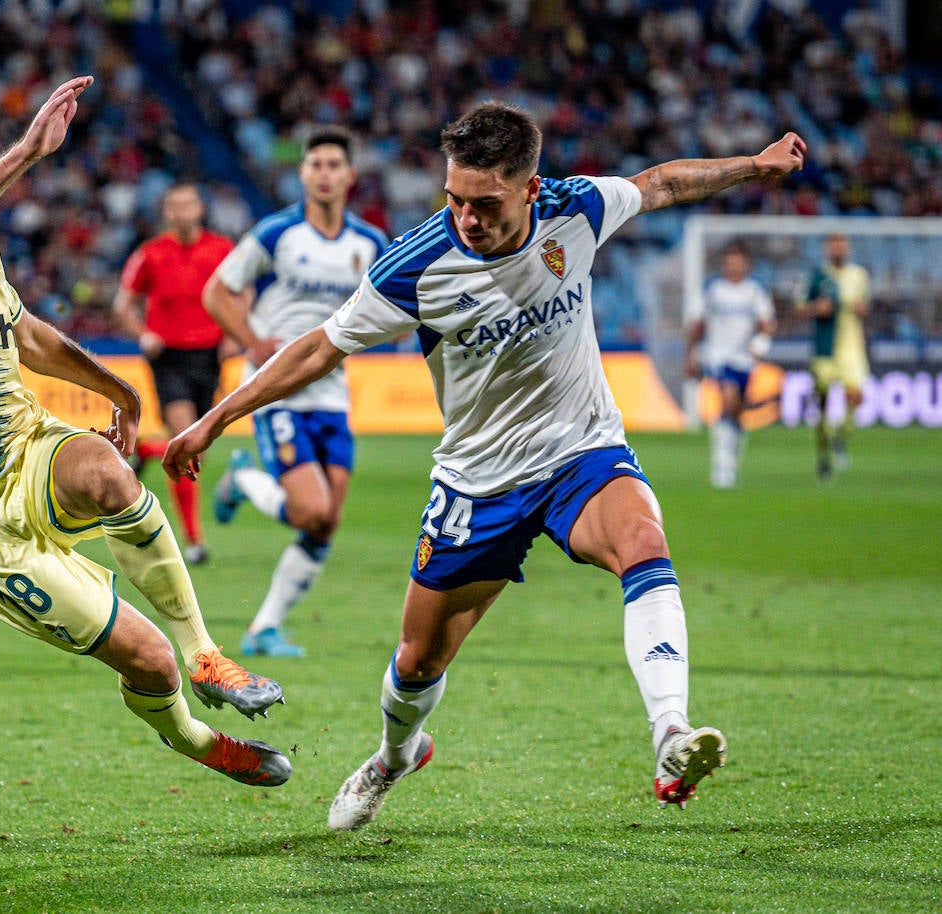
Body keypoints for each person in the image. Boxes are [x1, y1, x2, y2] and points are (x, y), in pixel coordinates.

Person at [166, 101, 807, 827]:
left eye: (484, 203)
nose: (466, 218)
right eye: (454, 199)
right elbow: (320, 347)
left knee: (644, 543)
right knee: (416, 662)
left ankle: (670, 733)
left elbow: (660, 184)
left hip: (580, 453)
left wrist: (755, 165)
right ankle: (392, 758)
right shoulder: (418, 266)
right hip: (477, 483)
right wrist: (217, 418)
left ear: (530, 189)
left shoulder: (578, 210)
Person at [0, 78, 289, 788]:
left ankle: (206, 652)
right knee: (147, 662)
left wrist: (116, 387)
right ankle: (198, 739)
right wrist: (27, 151)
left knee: (109, 473)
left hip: (21, 445)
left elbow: (25, 333)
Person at [201, 126, 388, 658]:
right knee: (310, 511)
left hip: (331, 392)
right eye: (316, 164)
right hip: (277, 388)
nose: (325, 173)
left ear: (350, 176)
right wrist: (252, 340)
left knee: (327, 523)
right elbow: (217, 291)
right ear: (303, 173)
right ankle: (244, 477)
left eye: (335, 164)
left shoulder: (369, 244)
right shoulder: (278, 232)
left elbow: (398, 306)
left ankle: (263, 628)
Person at [111, 183, 234, 566]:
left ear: (200, 209)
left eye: (189, 204)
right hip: (168, 356)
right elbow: (123, 305)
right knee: (186, 439)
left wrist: (234, 335)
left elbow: (241, 293)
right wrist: (142, 334)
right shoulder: (150, 253)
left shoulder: (223, 250)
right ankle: (194, 540)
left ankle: (147, 450)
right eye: (175, 206)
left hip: (210, 356)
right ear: (167, 212)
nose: (182, 212)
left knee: (198, 447)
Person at [684, 241, 776, 488]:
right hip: (717, 355)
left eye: (739, 260)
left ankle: (732, 455)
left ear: (746, 263)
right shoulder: (712, 288)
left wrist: (760, 343)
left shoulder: (755, 289)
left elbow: (767, 323)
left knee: (736, 411)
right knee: (727, 399)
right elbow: (696, 324)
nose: (734, 265)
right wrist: (691, 355)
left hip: (744, 359)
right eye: (730, 260)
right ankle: (721, 465)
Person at [795, 233, 870, 481]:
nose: (838, 250)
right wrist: (816, 309)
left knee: (856, 397)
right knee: (823, 409)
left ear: (847, 249)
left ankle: (841, 435)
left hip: (852, 349)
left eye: (842, 245)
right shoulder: (817, 277)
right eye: (834, 246)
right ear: (827, 249)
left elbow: (864, 306)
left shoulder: (858, 275)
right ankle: (824, 456)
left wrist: (862, 310)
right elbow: (798, 308)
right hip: (824, 351)